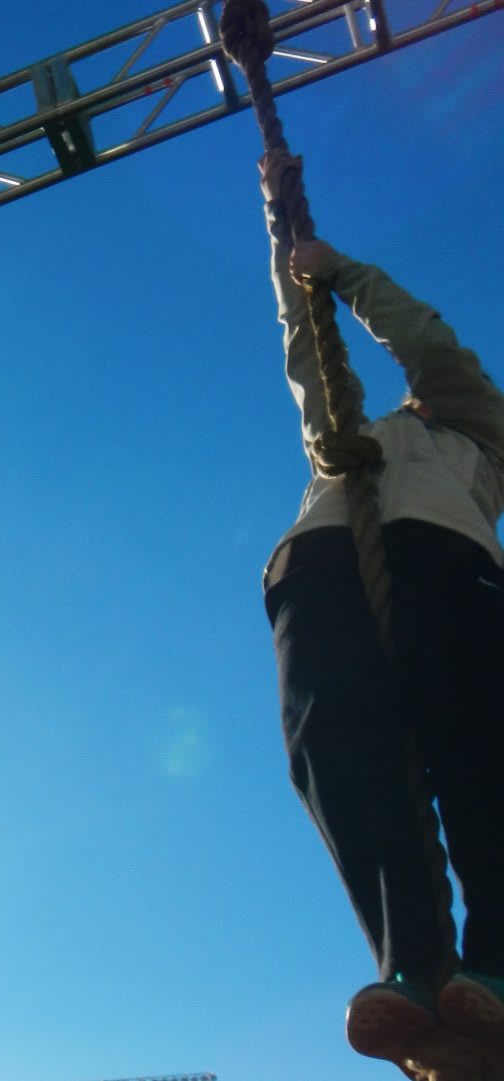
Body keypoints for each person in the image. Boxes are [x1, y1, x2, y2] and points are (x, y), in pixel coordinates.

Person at [258, 149, 504, 1069]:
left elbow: (429, 344)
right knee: (335, 749)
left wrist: (348, 274)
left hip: (444, 558)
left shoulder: (480, 428)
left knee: (479, 742)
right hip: (323, 564)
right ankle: (410, 966)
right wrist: (286, 242)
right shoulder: (345, 446)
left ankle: (495, 961)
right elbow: (307, 357)